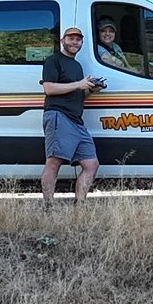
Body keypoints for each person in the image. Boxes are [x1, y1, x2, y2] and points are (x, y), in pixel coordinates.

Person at [39, 25, 103, 204]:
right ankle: (48, 206)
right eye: (71, 39)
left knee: (91, 164)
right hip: (59, 116)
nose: (75, 42)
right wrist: (78, 84)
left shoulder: (77, 65)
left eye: (78, 39)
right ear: (62, 41)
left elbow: (78, 93)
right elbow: (49, 88)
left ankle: (80, 204)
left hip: (76, 121)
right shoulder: (54, 61)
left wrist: (90, 89)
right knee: (54, 162)